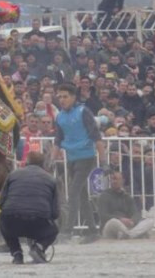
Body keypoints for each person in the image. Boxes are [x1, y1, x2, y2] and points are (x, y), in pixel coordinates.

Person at [53, 82, 104, 244]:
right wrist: (52, 160)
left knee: (74, 192)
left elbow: (96, 136)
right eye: (59, 97)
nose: (62, 100)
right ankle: (92, 231)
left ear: (74, 97)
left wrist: (103, 160)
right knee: (81, 195)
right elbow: (58, 139)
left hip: (86, 156)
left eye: (65, 97)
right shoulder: (59, 116)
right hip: (71, 158)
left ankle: (67, 231)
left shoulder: (83, 111)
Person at [0, 152, 59, 264]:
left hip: (12, 222)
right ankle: (38, 248)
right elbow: (55, 213)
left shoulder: (13, 175)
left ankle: (17, 254)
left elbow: (0, 203)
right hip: (38, 223)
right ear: (43, 164)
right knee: (54, 230)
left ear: (25, 162)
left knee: (2, 218)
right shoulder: (51, 179)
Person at [98, 171, 155, 239]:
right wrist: (120, 219)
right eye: (112, 179)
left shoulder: (127, 197)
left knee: (150, 221)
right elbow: (103, 216)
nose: (114, 181)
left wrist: (132, 221)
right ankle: (133, 234)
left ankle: (128, 235)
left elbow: (135, 213)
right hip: (110, 227)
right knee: (114, 221)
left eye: (116, 179)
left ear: (122, 181)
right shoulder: (104, 196)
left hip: (126, 226)